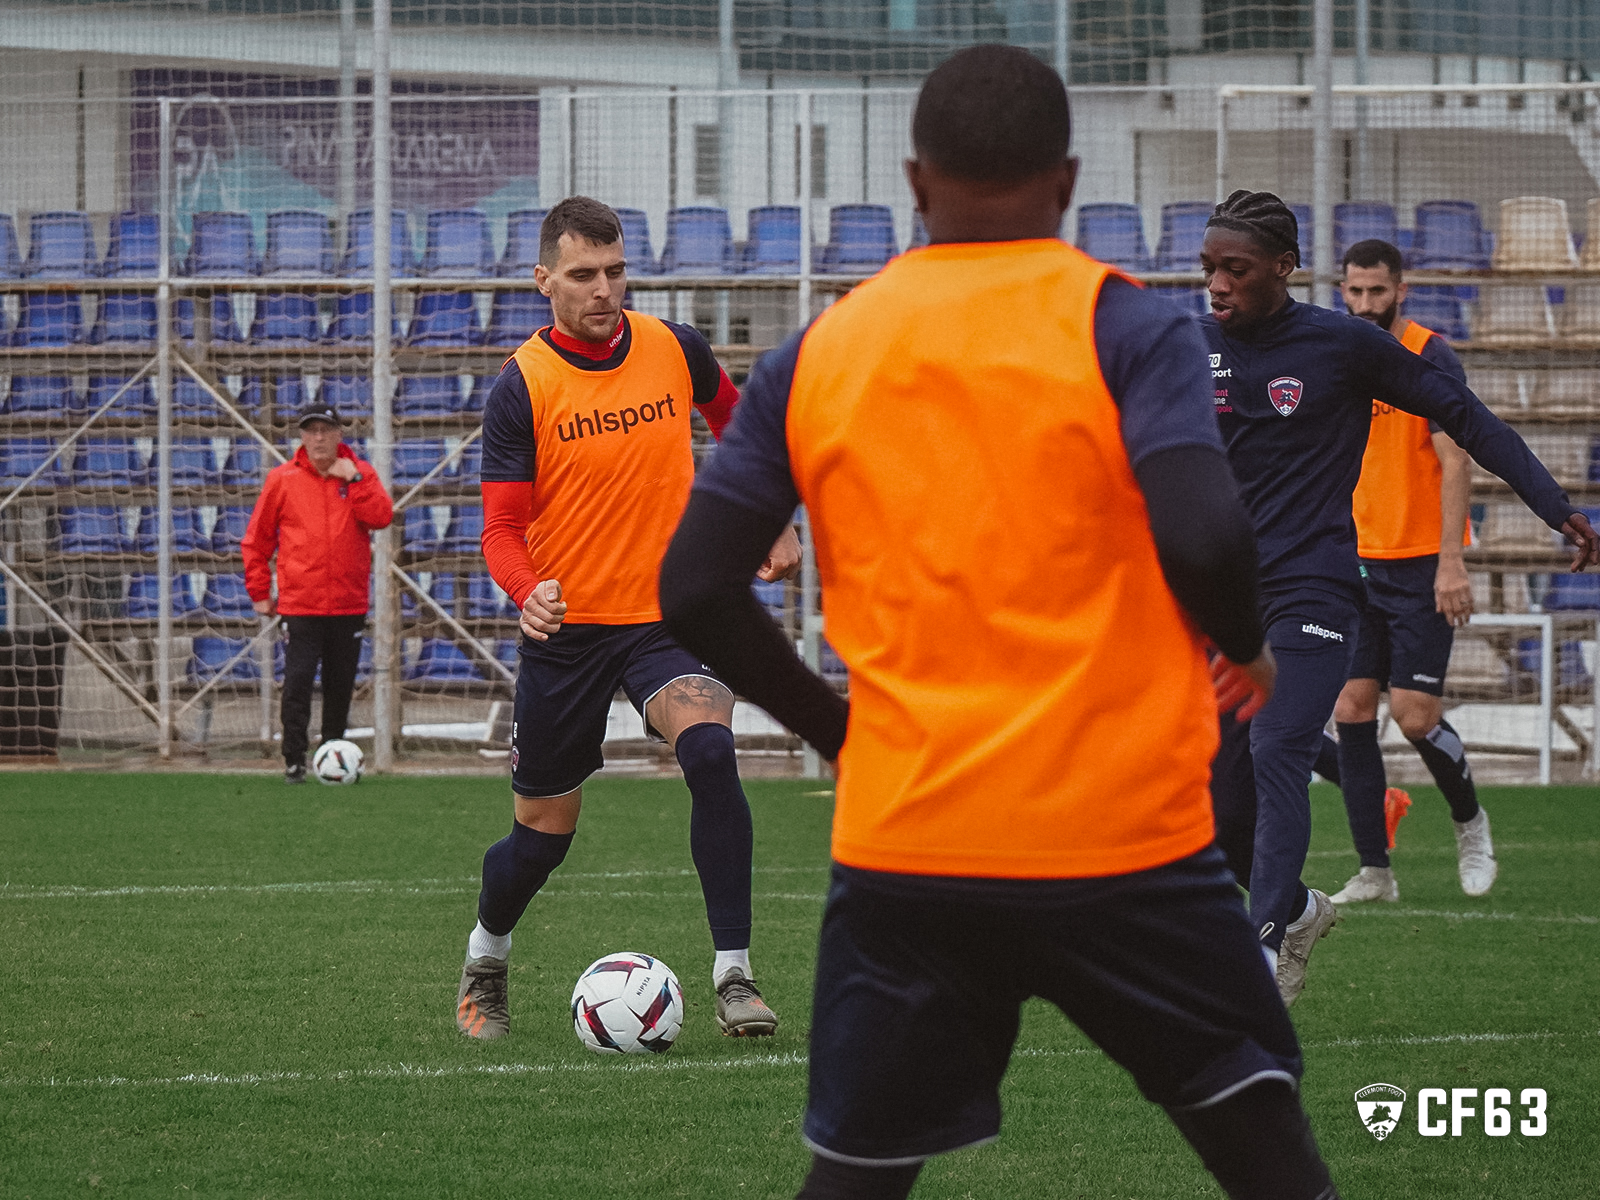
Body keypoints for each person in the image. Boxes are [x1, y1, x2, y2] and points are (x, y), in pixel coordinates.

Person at [661, 45, 1342, 1200]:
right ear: (1067, 180)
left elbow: (693, 588)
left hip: (910, 843)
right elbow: (1209, 536)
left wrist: (836, 733)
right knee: (1267, 1159)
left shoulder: (821, 353)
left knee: (858, 1180)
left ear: (916, 182)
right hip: (1122, 838)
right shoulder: (1129, 329)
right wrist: (1244, 644)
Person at [1199, 192, 1599, 1004]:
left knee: (1278, 746)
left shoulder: (1343, 346)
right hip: (1226, 604)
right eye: (1208, 267)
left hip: (1314, 592)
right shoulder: (1187, 342)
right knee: (1217, 807)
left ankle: (1267, 944)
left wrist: (1559, 507)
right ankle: (1302, 909)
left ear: (1284, 267)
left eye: (1234, 269)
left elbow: (1465, 417)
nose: (1215, 285)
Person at [454, 195, 801, 1042]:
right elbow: (500, 528)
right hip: (567, 633)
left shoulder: (673, 346)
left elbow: (741, 423)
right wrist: (526, 588)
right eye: (582, 275)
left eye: (615, 272)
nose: (603, 290)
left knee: (713, 751)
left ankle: (734, 978)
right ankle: (486, 955)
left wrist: (766, 514)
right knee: (540, 841)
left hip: (668, 616)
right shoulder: (521, 387)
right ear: (544, 280)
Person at [1312, 239, 1494, 904]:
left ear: (1400, 289)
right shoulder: (1341, 354)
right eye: (1354, 292)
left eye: (1376, 293)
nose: (1364, 305)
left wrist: (1452, 562)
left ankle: (1470, 823)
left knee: (1416, 718)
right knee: (1352, 709)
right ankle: (1375, 871)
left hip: (1420, 566)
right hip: (1353, 563)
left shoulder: (1427, 356)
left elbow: (1457, 460)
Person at [242, 401, 393, 784]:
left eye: (326, 430)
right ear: (302, 437)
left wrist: (355, 481)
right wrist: (260, 590)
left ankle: (334, 756)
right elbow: (256, 540)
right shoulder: (282, 479)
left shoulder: (361, 474)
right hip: (301, 604)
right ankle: (294, 759)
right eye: (311, 431)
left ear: (339, 434)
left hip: (348, 603)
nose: (319, 437)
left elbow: (380, 517)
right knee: (297, 683)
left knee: (340, 686)